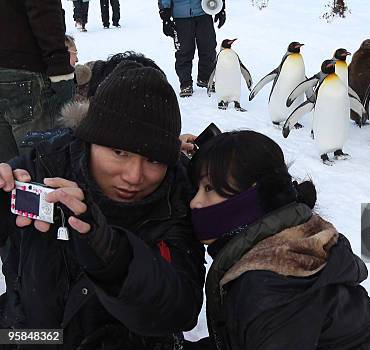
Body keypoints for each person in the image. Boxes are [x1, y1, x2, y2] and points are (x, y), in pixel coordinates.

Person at [0, 61, 206, 349]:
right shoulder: (43, 166)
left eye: (154, 160)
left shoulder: (178, 199)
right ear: (90, 140)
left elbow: (181, 310)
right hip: (33, 336)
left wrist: (115, 259)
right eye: (119, 151)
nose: (134, 176)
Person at [187, 130, 370, 349]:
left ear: (249, 199)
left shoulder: (269, 286)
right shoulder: (291, 239)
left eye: (209, 188)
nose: (194, 202)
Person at [0, 0, 75, 163]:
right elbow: (44, 11)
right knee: (41, 165)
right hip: (23, 70)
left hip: (16, 68)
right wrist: (61, 70)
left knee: (7, 169)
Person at [158, 0, 227, 97]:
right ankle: (185, 84)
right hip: (181, 16)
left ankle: (205, 78)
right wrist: (165, 16)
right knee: (184, 51)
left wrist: (221, 7)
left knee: (208, 48)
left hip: (204, 12)